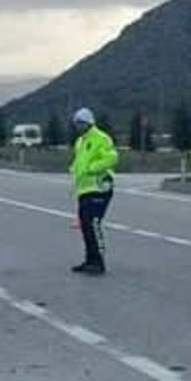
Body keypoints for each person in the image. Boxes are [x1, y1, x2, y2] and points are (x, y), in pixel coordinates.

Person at [69, 108, 118, 275]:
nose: (77, 126)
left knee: (93, 223)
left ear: (89, 123)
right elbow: (78, 162)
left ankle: (98, 262)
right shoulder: (80, 141)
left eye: (80, 123)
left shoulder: (101, 138)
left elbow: (111, 157)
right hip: (85, 189)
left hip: (100, 187)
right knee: (85, 225)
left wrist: (92, 169)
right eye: (76, 123)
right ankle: (90, 259)